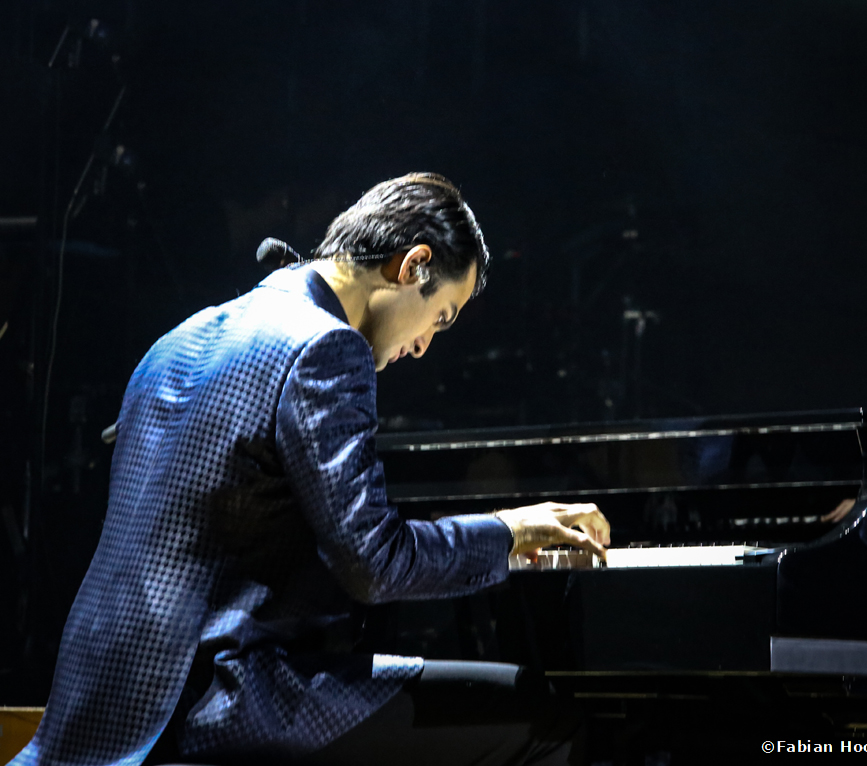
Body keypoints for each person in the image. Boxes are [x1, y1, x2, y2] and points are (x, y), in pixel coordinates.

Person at [12, 173, 610, 766]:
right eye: (441, 316)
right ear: (413, 265)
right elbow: (375, 565)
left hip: (103, 700)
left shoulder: (179, 338)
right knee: (543, 717)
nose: (425, 344)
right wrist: (507, 531)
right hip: (222, 696)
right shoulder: (325, 346)